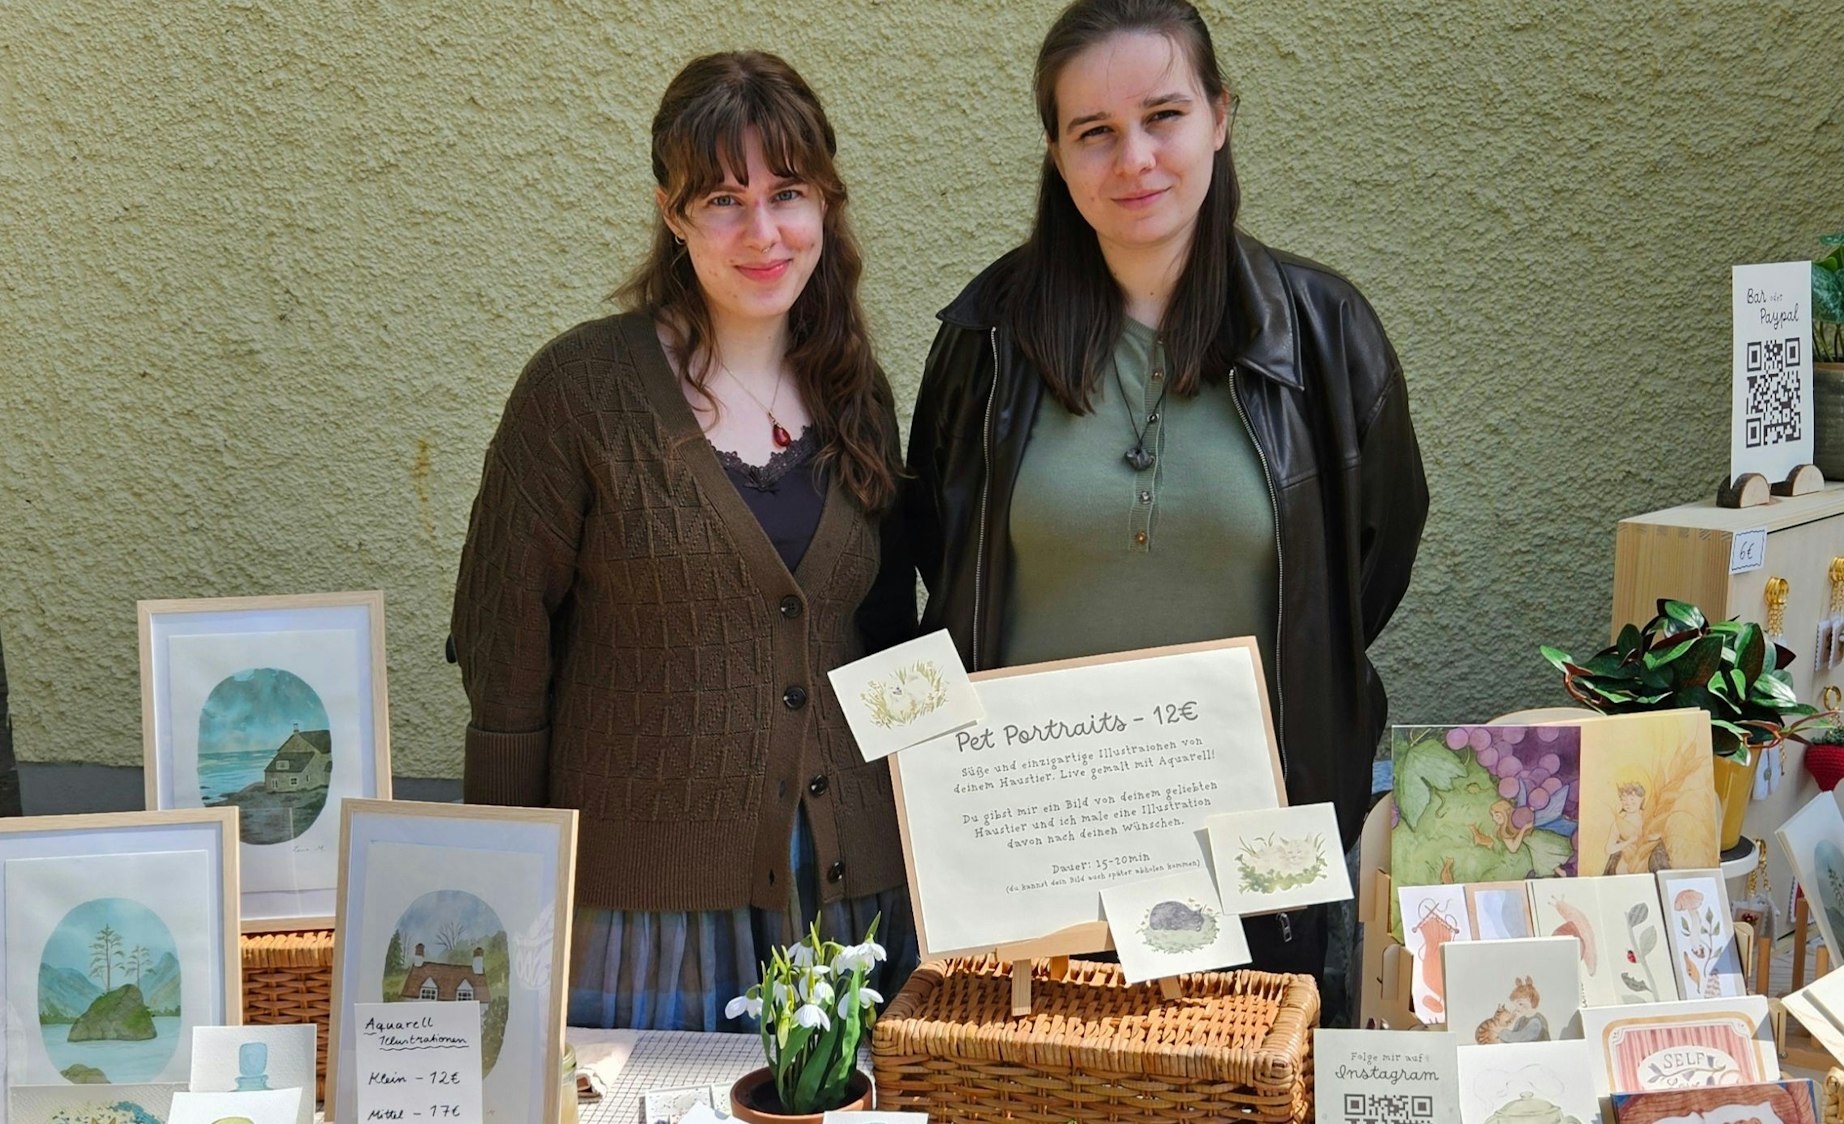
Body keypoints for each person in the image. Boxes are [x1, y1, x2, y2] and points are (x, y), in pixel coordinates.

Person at [906, 0, 1427, 987]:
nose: (1134, 159)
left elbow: (1367, 565)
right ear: (1057, 157)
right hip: (1035, 852)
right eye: (1093, 133)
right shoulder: (988, 340)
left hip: (1254, 850)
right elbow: (946, 547)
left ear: (1221, 116)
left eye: (1164, 116)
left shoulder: (1324, 334)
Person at [451, 51, 917, 1031]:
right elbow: (504, 654)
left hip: (845, 903)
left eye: (786, 193)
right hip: (641, 916)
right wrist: (497, 890)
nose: (762, 231)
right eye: (723, 199)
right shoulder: (578, 391)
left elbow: (885, 644)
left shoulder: (858, 393)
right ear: (672, 211)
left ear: (825, 203)